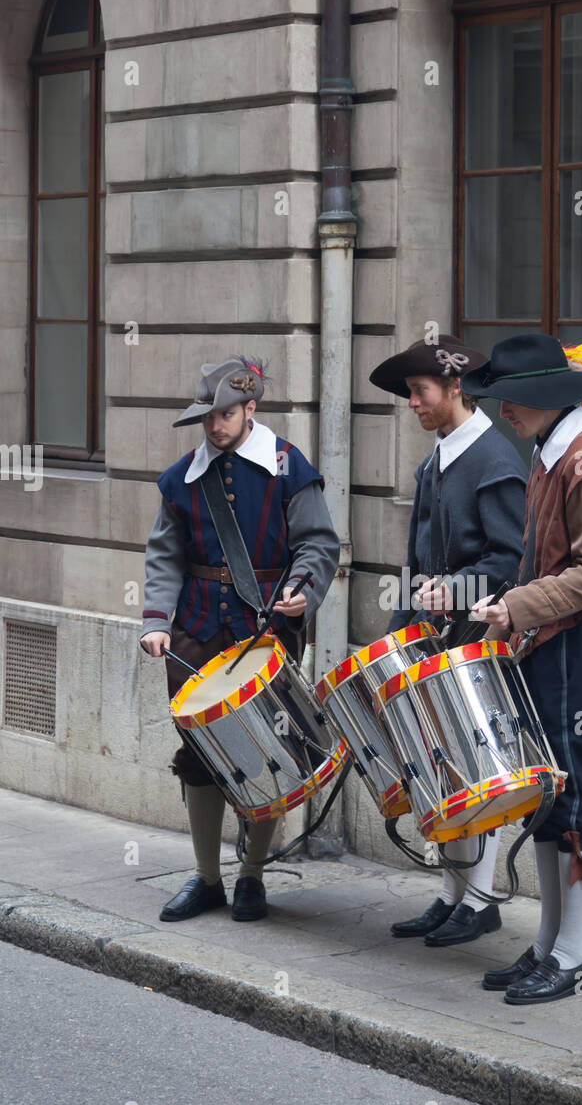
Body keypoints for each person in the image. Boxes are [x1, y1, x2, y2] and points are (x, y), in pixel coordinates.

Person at [140, 356, 339, 923]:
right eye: (207, 417)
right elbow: (164, 556)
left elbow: (318, 545)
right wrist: (156, 623)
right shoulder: (181, 479)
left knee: (266, 753)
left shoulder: (287, 467)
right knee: (199, 753)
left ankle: (251, 875)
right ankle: (206, 877)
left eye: (225, 414)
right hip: (197, 633)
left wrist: (302, 592)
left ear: (251, 409)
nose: (215, 426)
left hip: (264, 631)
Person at [463, 333, 582, 1004]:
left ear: (540, 398)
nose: (503, 412)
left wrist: (517, 607)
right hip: (547, 643)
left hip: (578, 647)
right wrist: (512, 606)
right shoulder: (554, 452)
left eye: (509, 400)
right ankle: (546, 947)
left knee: (575, 802)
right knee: (547, 799)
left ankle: (574, 956)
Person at [368, 335, 528, 946]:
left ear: (455, 389)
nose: (412, 402)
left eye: (420, 391)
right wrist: (395, 640)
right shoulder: (436, 459)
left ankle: (482, 900)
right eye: (410, 392)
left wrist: (457, 591)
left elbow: (510, 558)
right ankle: (451, 893)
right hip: (434, 641)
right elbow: (417, 565)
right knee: (443, 768)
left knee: (473, 768)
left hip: (476, 637)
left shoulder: (495, 459)